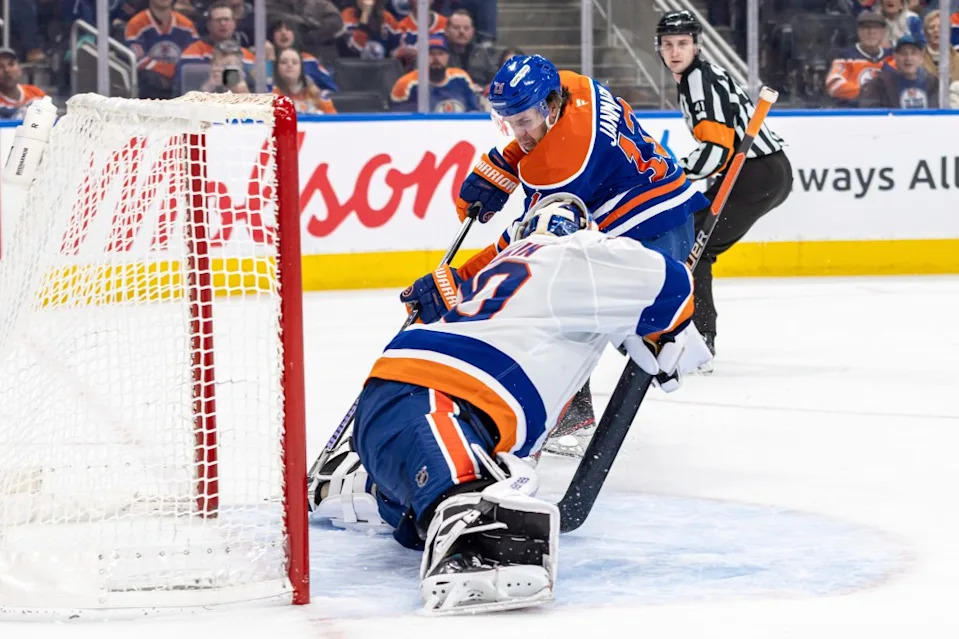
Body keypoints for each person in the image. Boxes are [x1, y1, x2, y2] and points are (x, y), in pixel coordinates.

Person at [309, 195, 711, 614]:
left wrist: (640, 324)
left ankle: (362, 483)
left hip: (411, 393)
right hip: (437, 395)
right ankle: (469, 542)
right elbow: (671, 282)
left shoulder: (507, 263)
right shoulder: (579, 251)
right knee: (471, 497)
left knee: (476, 475)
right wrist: (670, 328)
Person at [446, 52, 709, 454]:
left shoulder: (562, 166)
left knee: (552, 311)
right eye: (509, 123)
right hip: (670, 210)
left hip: (641, 237)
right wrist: (501, 163)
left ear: (549, 106)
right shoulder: (574, 86)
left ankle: (571, 418)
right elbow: (546, 139)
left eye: (523, 122)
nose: (518, 132)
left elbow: (527, 243)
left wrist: (462, 279)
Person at [657, 10, 792, 369]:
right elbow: (720, 151)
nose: (675, 51)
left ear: (696, 46)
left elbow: (717, 149)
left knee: (695, 248)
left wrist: (675, 175)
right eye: (668, 44)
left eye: (683, 44)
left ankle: (701, 340)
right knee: (694, 240)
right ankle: (697, 334)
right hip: (757, 170)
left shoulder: (698, 79)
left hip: (755, 173)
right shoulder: (697, 76)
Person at [175, 1, 255, 94]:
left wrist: (244, 91)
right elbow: (179, 91)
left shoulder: (248, 57)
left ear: (234, 23)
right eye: (218, 20)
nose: (223, 23)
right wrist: (209, 85)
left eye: (227, 19)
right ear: (209, 25)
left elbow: (264, 93)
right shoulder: (192, 53)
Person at [125, 0, 198, 99]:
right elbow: (138, 59)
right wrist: (167, 70)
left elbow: (195, 55)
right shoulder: (136, 24)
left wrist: (176, 72)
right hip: (150, 85)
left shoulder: (187, 25)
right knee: (149, 78)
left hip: (179, 81)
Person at [389, 34, 481, 112]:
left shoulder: (461, 78)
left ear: (447, 57)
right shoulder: (405, 85)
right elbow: (398, 123)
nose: (436, 58)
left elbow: (474, 112)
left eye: (440, 53)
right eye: (431, 54)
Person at [826, 11, 893, 106]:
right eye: (865, 27)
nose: (871, 32)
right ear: (858, 31)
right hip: (852, 114)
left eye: (876, 28)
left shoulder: (891, 57)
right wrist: (869, 93)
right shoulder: (845, 56)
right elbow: (834, 85)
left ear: (883, 32)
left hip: (886, 114)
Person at [860, 32, 939, 106]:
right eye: (903, 53)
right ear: (895, 56)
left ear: (921, 57)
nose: (908, 58)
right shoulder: (880, 84)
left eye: (913, 53)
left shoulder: (933, 83)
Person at [269, 19, 338, 93]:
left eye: (289, 29)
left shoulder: (309, 61)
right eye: (278, 30)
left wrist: (317, 96)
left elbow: (331, 88)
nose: (283, 33)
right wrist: (270, 60)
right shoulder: (262, 62)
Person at [273, 47, 337, 113]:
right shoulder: (271, 94)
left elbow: (333, 118)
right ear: (277, 68)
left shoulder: (315, 93)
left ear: (301, 68)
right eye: (284, 62)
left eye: (295, 62)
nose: (289, 65)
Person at [337, 0, 402, 59]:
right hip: (355, 65)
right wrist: (365, 16)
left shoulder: (388, 19)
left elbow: (396, 52)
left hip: (382, 67)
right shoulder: (347, 15)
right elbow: (353, 49)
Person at [920, 10, 959, 107]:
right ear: (925, 33)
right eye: (931, 27)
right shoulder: (917, 62)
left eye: (941, 27)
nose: (936, 30)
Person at [0, 48, 47, 120]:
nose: (7, 70)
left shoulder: (36, 93)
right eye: (0, 66)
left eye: (11, 64)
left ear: (20, 69)